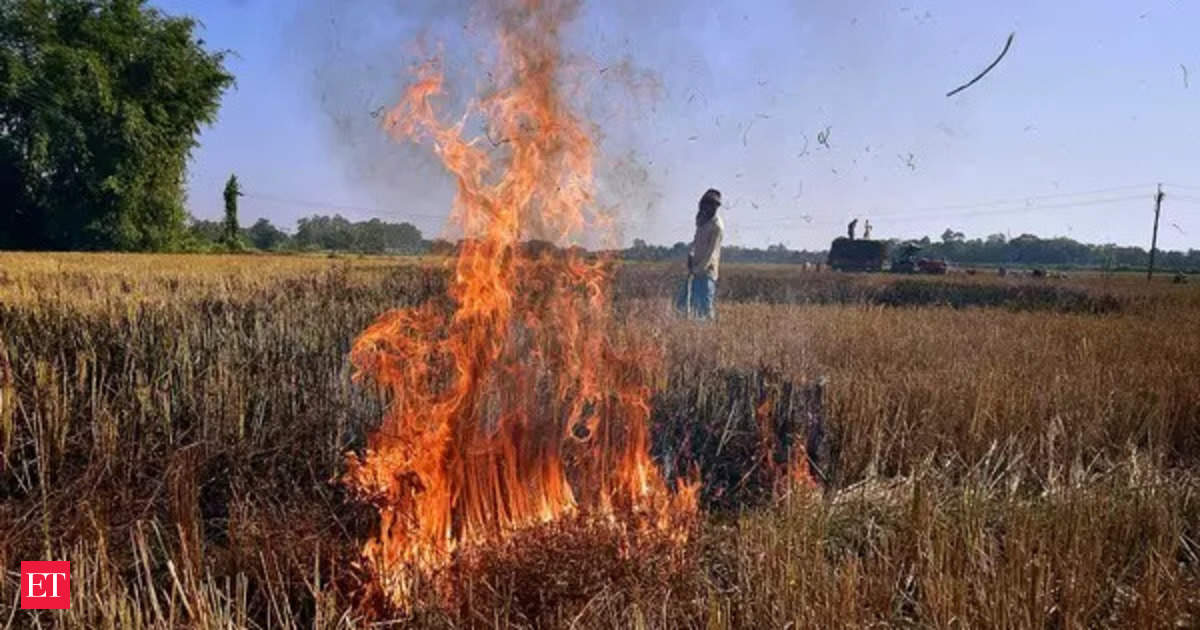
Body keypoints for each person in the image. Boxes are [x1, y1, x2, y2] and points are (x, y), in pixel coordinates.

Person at [681, 188, 724, 319]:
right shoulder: (702, 220)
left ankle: (708, 334)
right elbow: (695, 241)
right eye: (706, 204)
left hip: (706, 273)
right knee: (691, 305)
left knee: (704, 308)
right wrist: (690, 254)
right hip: (694, 269)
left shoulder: (717, 226)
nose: (707, 207)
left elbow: (711, 253)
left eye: (712, 205)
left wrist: (697, 270)